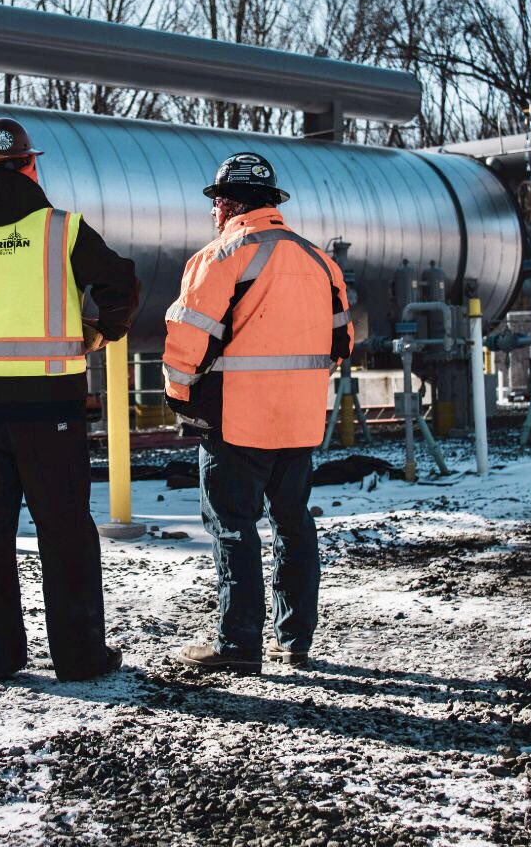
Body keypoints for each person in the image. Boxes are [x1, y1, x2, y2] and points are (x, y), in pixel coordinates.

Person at [0, 116, 139, 682]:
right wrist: (100, 330)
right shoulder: (62, 230)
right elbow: (123, 285)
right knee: (64, 528)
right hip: (53, 410)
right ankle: (80, 657)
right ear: (30, 166)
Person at [162, 152, 353, 674]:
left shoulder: (220, 257)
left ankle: (238, 645)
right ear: (272, 204)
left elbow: (186, 341)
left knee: (232, 527)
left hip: (235, 424)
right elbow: (344, 341)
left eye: (214, 203)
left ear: (226, 204)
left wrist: (180, 396)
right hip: (300, 422)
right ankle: (294, 641)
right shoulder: (319, 261)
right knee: (293, 524)